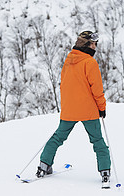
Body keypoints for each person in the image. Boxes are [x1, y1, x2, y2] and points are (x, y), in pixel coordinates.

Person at [36, 30, 112, 188]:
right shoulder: (90, 62)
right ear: (87, 45)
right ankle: (104, 170)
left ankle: (44, 164)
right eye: (94, 44)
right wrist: (102, 107)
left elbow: (63, 85)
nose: (95, 46)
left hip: (69, 110)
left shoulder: (69, 60)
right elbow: (97, 89)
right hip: (88, 110)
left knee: (58, 137)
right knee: (97, 140)